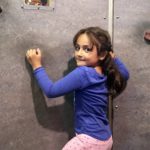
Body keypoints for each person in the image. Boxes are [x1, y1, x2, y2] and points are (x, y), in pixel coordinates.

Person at [26, 27, 129, 150]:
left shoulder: (84, 73)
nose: (79, 53)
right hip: (105, 139)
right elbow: (125, 74)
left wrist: (37, 66)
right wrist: (114, 59)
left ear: (102, 54)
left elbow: (51, 91)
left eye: (87, 49)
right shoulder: (106, 72)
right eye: (77, 47)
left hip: (88, 140)